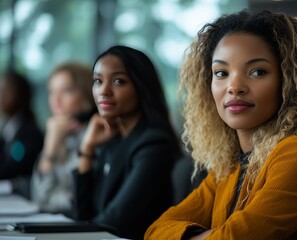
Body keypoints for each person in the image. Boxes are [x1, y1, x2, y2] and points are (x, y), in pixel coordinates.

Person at [145, 10, 297, 239]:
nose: (234, 86)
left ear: (289, 83)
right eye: (221, 73)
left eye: (257, 72)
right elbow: (156, 229)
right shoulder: (229, 167)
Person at [72, 45, 180, 239]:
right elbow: (82, 213)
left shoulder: (154, 145)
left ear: (141, 86)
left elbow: (114, 220)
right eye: (98, 81)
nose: (104, 91)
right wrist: (87, 149)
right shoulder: (113, 138)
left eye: (118, 81)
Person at [31, 62, 96, 215]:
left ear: (87, 95)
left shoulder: (95, 136)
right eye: (52, 92)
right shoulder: (58, 132)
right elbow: (36, 197)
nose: (56, 100)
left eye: (66, 91)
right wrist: (50, 147)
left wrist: (49, 149)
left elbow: (49, 200)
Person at [0, 70, 43, 199]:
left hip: (23, 196)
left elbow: (14, 166)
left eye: (6, 91)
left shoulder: (30, 133)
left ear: (21, 94)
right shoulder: (7, 127)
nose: (1, 96)